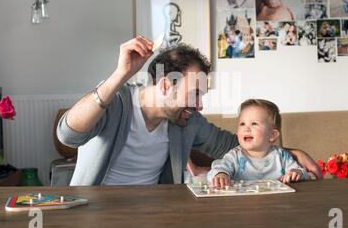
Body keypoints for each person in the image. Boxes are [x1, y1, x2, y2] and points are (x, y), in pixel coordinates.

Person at [57, 36, 322, 186]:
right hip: (98, 209)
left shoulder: (187, 121)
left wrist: (290, 152)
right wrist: (120, 74)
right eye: (195, 94)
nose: (199, 106)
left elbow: (231, 145)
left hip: (156, 213)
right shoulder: (116, 103)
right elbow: (68, 135)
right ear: (164, 85)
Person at [207, 99, 309, 188]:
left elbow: (303, 173)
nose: (246, 128)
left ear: (272, 135)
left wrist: (297, 173)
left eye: (254, 123)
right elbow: (218, 169)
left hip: (275, 202)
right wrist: (221, 174)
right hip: (242, 203)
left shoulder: (281, 156)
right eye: (242, 124)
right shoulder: (234, 156)